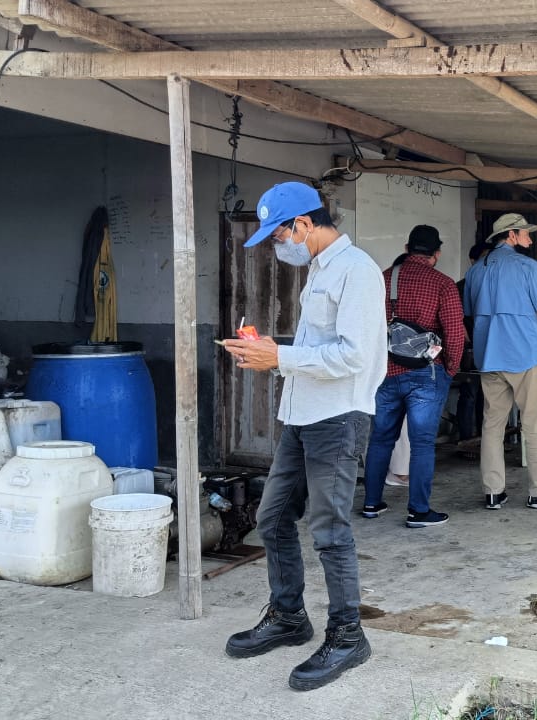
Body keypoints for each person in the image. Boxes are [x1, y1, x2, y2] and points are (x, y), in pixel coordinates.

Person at [220, 181, 386, 691]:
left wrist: (282, 357)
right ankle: (289, 616)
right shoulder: (320, 269)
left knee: (329, 529)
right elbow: (321, 346)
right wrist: (270, 351)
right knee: (271, 518)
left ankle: (348, 635)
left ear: (305, 225)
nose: (277, 245)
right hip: (304, 414)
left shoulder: (356, 271)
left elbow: (355, 355)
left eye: (278, 235)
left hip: (337, 418)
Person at [361, 225, 465, 526]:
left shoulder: (382, 279)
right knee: (421, 444)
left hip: (386, 371)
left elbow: (367, 326)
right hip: (426, 374)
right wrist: (450, 368)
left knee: (380, 439)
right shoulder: (443, 284)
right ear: (436, 253)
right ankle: (419, 510)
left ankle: (371, 503)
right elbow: (455, 334)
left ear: (407, 248)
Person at [463, 213, 537, 510]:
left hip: (489, 356)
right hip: (525, 356)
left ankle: (493, 492)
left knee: (492, 425)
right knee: (534, 425)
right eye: (526, 234)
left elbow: (472, 312)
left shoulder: (476, 271)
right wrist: (529, 336)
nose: (530, 239)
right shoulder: (528, 267)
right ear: (511, 235)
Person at [454, 241, 490, 454]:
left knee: (489, 397)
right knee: (469, 394)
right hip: (468, 351)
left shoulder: (492, 287)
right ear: (472, 260)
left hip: (490, 350)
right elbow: (456, 320)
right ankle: (467, 441)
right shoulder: (461, 287)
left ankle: (486, 442)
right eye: (483, 257)